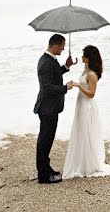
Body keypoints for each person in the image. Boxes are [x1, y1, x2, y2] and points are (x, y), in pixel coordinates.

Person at [62, 45, 110, 178]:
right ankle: (82, 161)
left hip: (87, 106)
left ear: (89, 58)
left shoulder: (92, 74)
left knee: (87, 133)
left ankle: (89, 163)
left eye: (84, 55)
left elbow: (91, 94)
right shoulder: (86, 69)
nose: (82, 57)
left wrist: (78, 85)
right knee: (81, 132)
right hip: (81, 104)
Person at [34, 34, 74, 184]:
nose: (64, 48)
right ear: (55, 46)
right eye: (63, 46)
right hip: (47, 108)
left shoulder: (50, 60)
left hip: (50, 107)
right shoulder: (45, 63)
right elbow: (47, 87)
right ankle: (43, 176)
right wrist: (66, 88)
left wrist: (66, 66)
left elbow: (54, 75)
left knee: (47, 140)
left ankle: (46, 168)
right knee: (44, 141)